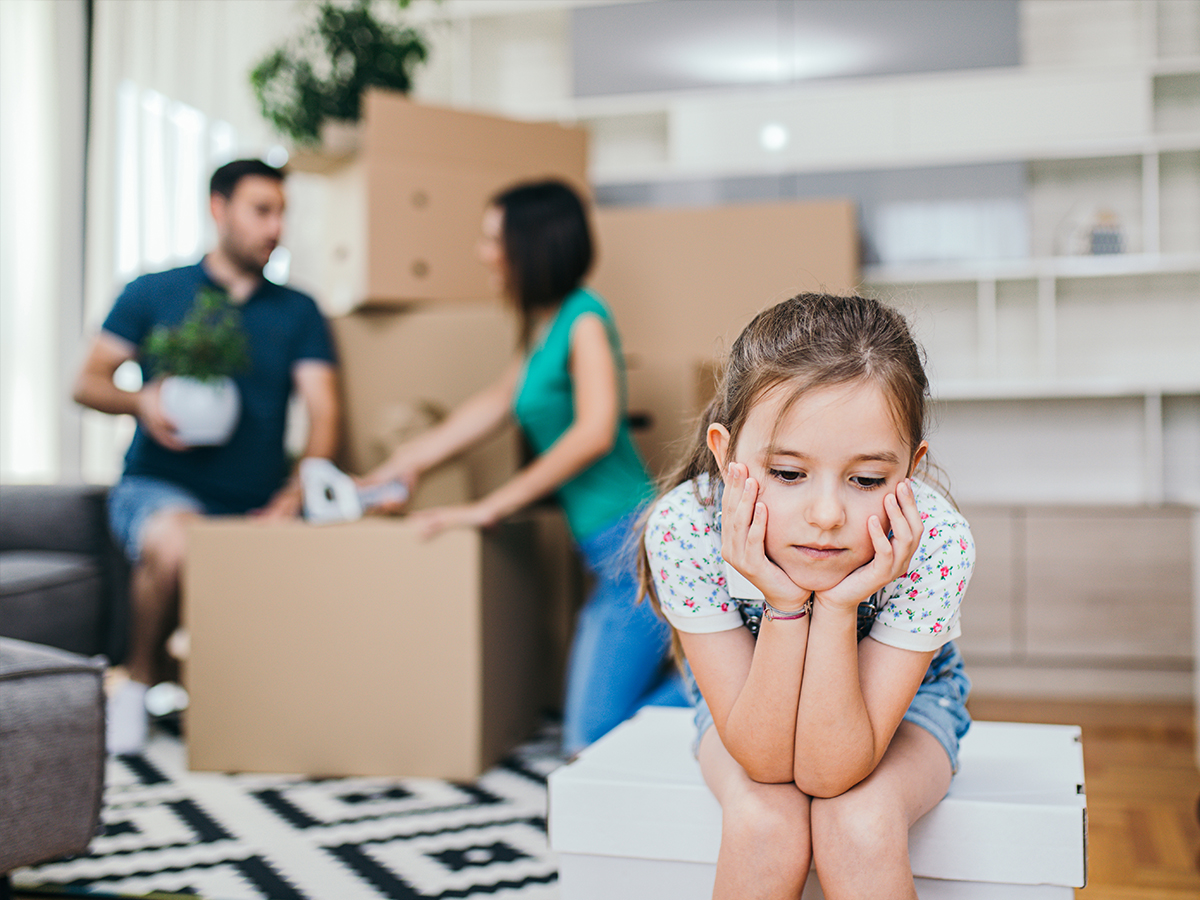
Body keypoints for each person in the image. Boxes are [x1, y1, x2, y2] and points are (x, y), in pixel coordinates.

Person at [641, 293, 974, 898]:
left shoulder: (935, 539)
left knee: (858, 820)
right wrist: (785, 603)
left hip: (907, 709)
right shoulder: (687, 526)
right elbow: (766, 762)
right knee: (765, 819)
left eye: (868, 480)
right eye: (788, 474)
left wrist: (839, 607)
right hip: (745, 699)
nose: (826, 516)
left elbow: (831, 771)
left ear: (912, 470)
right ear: (725, 454)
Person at [362, 179, 685, 755]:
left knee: (590, 742)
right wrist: (401, 465)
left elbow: (594, 430)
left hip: (636, 552)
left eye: (493, 239)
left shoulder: (586, 319)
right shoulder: (546, 326)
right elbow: (491, 405)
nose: (484, 253)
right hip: (609, 559)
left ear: (533, 246)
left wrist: (488, 506)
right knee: (584, 739)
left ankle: (719, 687)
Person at [73, 158, 340, 755]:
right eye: (261, 211)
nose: (275, 228)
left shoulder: (298, 312)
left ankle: (235, 702)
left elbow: (324, 413)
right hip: (157, 489)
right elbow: (86, 382)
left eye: (281, 214)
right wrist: (143, 400)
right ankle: (137, 685)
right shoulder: (153, 292)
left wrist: (294, 495)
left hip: (254, 498)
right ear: (218, 209)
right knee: (178, 542)